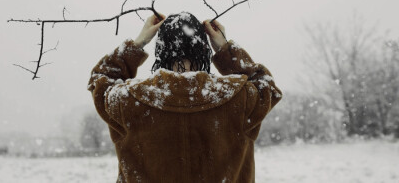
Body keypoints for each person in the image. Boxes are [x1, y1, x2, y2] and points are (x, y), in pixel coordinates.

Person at [87, 12, 282, 183]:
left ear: (161, 52)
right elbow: (266, 85)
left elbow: (101, 79)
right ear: (205, 50)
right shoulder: (240, 98)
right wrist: (225, 49)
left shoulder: (129, 100)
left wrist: (139, 42)